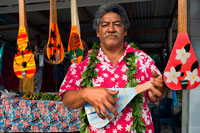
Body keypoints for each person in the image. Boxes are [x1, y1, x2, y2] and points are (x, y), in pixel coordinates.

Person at [59, 3, 167, 133]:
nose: (111, 29)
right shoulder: (83, 61)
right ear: (98, 32)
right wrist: (85, 93)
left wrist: (160, 92)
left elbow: (156, 93)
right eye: (105, 25)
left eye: (117, 24)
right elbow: (66, 97)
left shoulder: (143, 60)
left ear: (125, 30)